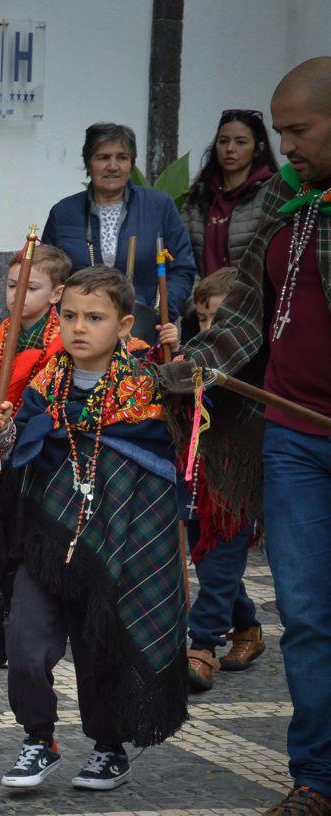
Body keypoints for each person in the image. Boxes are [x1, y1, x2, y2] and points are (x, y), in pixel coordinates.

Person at [159, 57, 331, 816]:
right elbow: (244, 322)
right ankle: (317, 777)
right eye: (283, 130)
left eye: (299, 129)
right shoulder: (283, 213)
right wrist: (189, 365)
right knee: (307, 616)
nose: (285, 145)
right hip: (295, 442)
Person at [0, 267, 187, 793]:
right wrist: (0, 435)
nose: (78, 328)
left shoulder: (146, 387)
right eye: (69, 315)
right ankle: (38, 739)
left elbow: (165, 463)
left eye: (94, 318)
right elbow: (17, 457)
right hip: (45, 537)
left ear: (122, 325)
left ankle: (108, 747)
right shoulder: (45, 383)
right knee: (24, 641)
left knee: (102, 645)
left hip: (116, 538)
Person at [156, 269, 265, 691]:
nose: (208, 331)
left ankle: (201, 646)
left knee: (220, 557)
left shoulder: (259, 364)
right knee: (207, 555)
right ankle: (248, 628)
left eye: (218, 321)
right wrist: (173, 358)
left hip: (236, 473)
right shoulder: (195, 356)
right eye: (201, 320)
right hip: (198, 470)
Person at [43, 122, 197, 325]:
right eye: (103, 157)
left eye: (122, 158)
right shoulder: (63, 213)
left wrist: (160, 312)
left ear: (131, 164)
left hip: (143, 327)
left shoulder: (159, 207)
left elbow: (182, 269)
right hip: (80, 328)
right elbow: (47, 274)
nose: (113, 166)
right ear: (89, 164)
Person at [0, 244, 72, 453]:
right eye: (12, 286)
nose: (17, 295)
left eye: (31, 288)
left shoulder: (63, 341)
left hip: (32, 428)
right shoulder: (3, 333)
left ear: (56, 294)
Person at [181, 109, 280, 275]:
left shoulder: (271, 193)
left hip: (251, 298)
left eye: (241, 142)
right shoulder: (199, 195)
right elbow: (181, 256)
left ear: (258, 148)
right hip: (201, 297)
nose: (230, 149)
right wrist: (198, 297)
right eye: (223, 141)